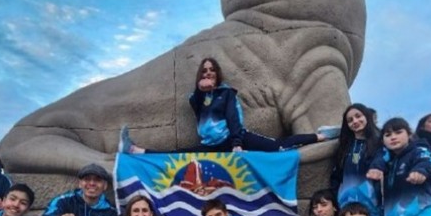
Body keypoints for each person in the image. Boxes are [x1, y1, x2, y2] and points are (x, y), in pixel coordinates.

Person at [120, 57, 328, 154]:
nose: (208, 73)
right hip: (211, 145)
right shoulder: (197, 98)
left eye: (211, 70)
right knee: (180, 155)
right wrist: (202, 91)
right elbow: (197, 109)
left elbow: (233, 118)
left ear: (218, 73)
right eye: (204, 70)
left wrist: (237, 143)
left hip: (234, 139)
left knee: (277, 146)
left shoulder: (226, 93)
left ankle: (320, 136)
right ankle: (136, 150)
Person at [329, 103, 382, 216]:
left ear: (367, 116)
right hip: (346, 203)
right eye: (350, 120)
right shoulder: (344, 147)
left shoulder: (379, 141)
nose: (355, 121)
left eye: (358, 116)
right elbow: (336, 175)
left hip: (373, 204)